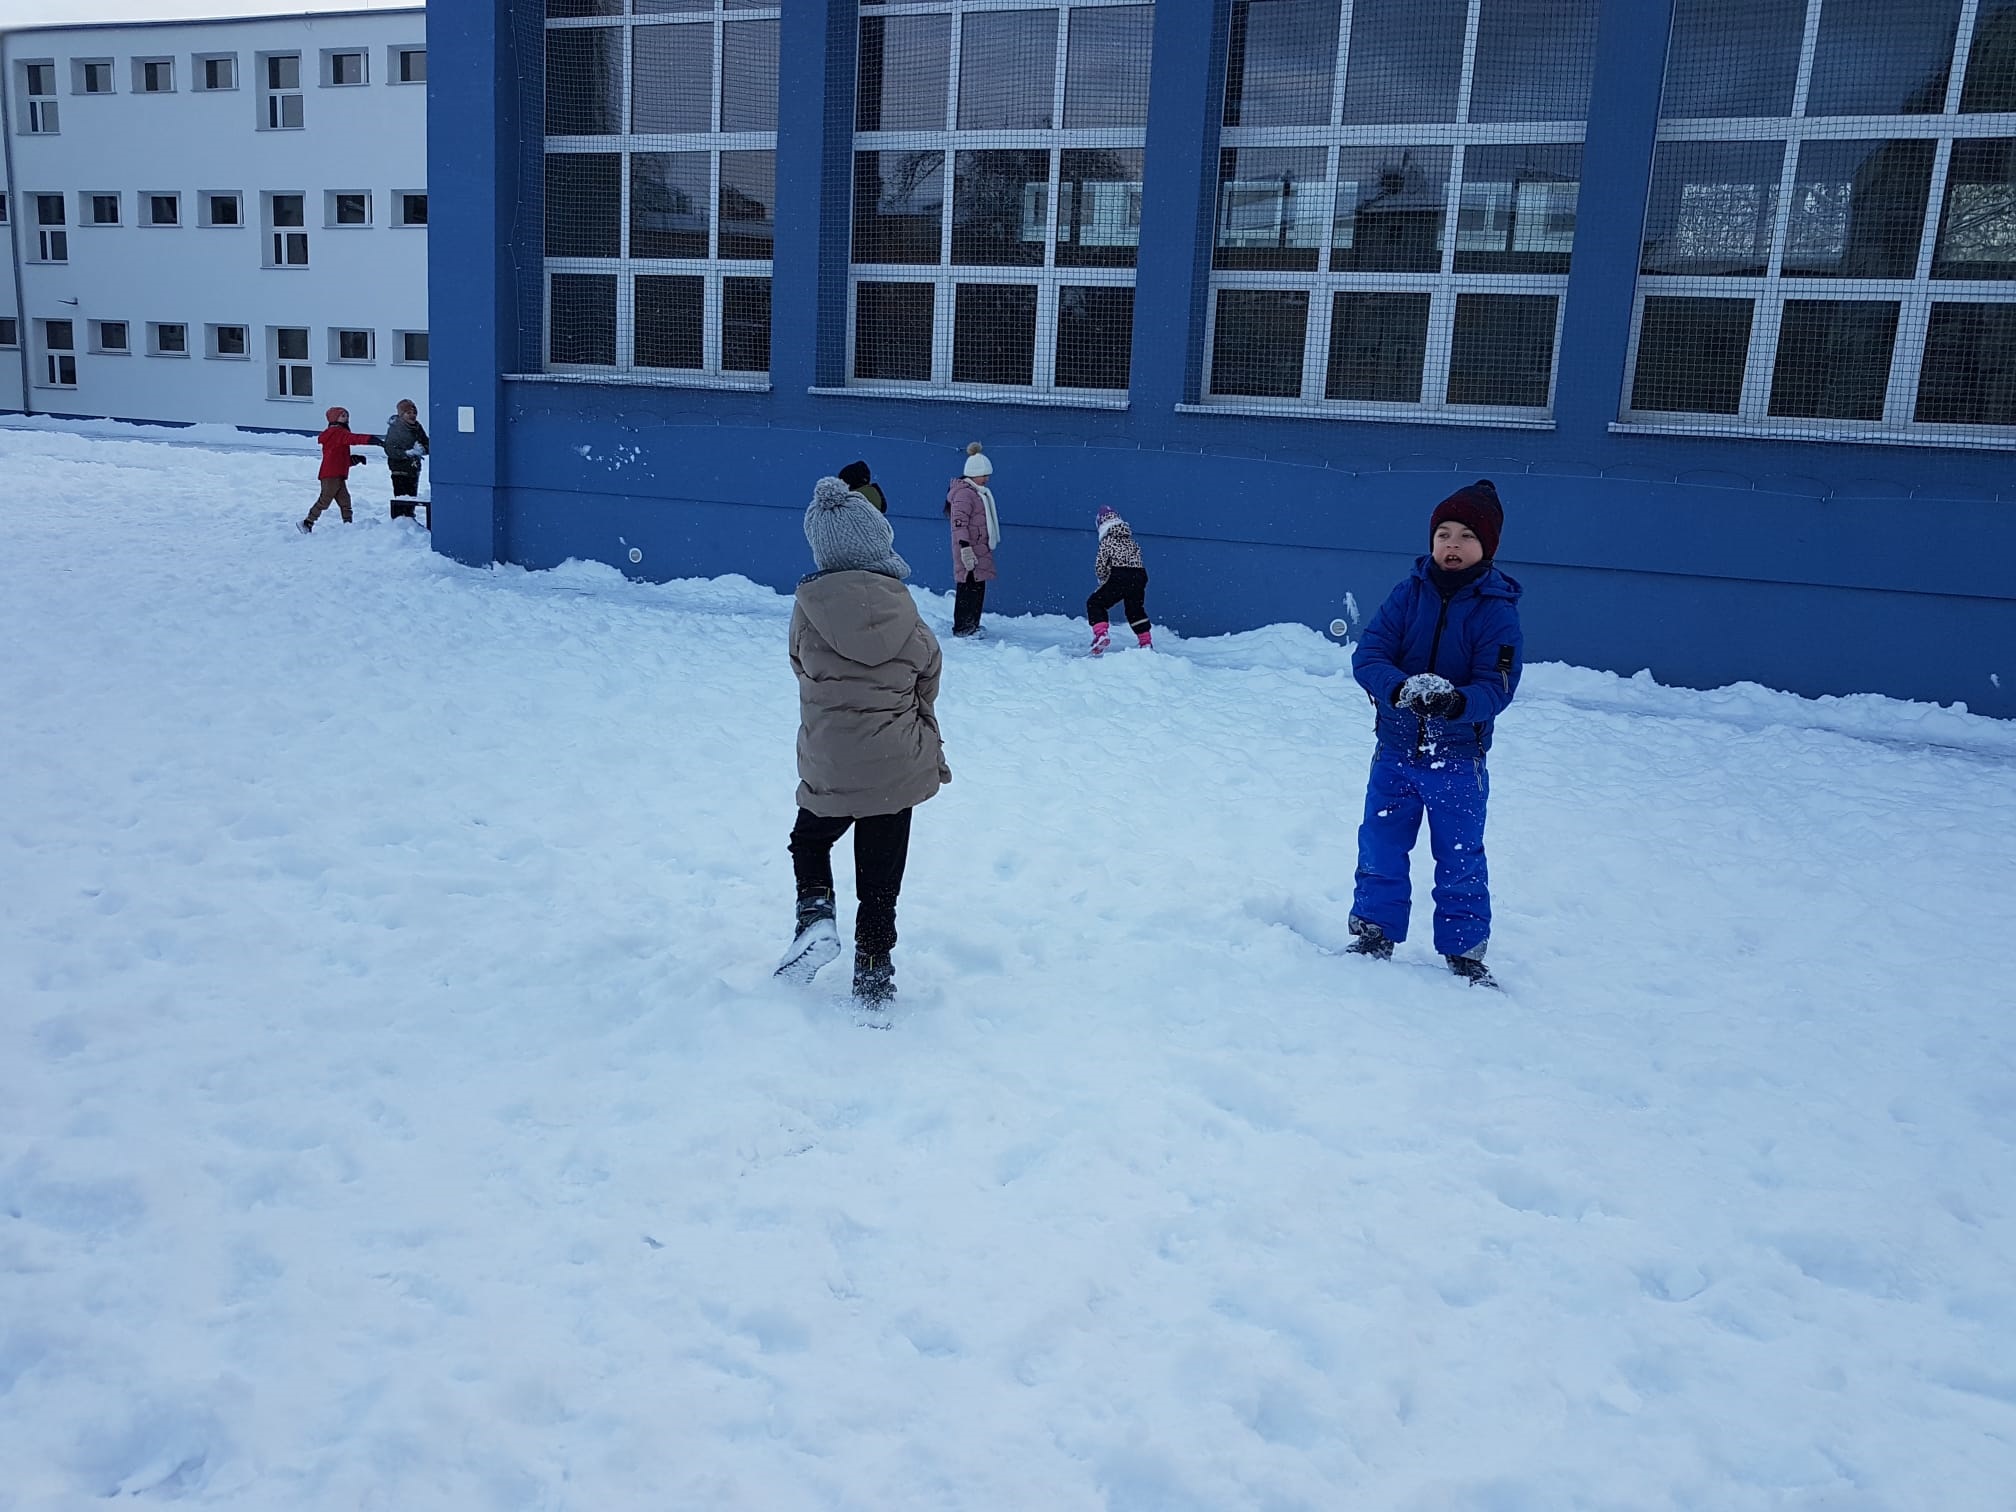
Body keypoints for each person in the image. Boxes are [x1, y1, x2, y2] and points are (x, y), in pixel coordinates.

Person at [776, 476, 951, 1009]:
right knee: (880, 876)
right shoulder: (904, 609)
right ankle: (873, 971)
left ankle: (815, 912)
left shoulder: (807, 612)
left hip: (831, 762)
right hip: (896, 764)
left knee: (809, 840)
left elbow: (800, 669)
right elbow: (928, 671)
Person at [1345, 480, 1523, 987]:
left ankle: (1464, 949)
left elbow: (1498, 685)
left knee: (1460, 855)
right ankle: (1374, 931)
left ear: (1487, 546)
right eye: (1443, 534)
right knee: (1380, 844)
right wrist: (1398, 688)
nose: (1452, 545)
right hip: (1396, 752)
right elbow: (1370, 655)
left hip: (1459, 759)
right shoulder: (1408, 594)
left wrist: (1456, 702)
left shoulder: (1497, 611)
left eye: (1466, 536)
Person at [944, 441, 999, 638]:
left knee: (978, 587)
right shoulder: (964, 494)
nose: (987, 479)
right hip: (968, 549)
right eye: (984, 475)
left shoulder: (978, 493)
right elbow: (959, 524)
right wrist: (965, 547)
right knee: (967, 588)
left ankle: (973, 625)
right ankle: (963, 628)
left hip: (979, 548)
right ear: (974, 473)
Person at [298, 406, 382, 532]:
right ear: (334, 418)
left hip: (337, 474)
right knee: (325, 500)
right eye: (343, 415)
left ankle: (348, 525)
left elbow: (338, 458)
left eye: (347, 415)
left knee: (345, 501)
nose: (346, 418)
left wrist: (354, 459)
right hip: (330, 475)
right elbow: (354, 438)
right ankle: (307, 522)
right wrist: (372, 440)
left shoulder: (338, 433)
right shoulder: (336, 432)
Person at [1086, 505, 1152, 655]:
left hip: (1119, 575)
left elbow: (1100, 566)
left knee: (1095, 603)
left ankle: (1101, 634)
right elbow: (1138, 561)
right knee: (1135, 609)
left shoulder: (1107, 541)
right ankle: (1145, 641)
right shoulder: (1131, 542)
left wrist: (1103, 580)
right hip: (1139, 577)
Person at [382, 399, 430, 523]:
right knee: (402, 497)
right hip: (399, 469)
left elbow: (427, 444)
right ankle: (399, 521)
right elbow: (390, 449)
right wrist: (407, 453)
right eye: (408, 413)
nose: (412, 415)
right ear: (401, 414)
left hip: (413, 469)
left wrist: (422, 450)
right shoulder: (395, 428)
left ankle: (409, 519)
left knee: (412, 497)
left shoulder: (417, 427)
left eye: (414, 413)